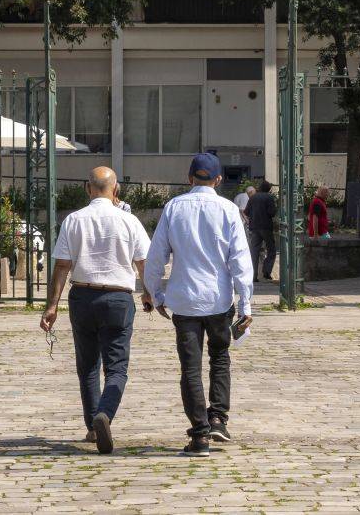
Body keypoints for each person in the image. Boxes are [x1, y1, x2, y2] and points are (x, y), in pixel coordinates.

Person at [143, 153, 255, 457]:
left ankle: (200, 433)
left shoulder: (173, 208)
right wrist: (246, 304)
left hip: (185, 301)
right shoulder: (229, 209)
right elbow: (240, 261)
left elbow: (156, 257)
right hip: (219, 300)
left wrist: (155, 294)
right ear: (218, 180)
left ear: (189, 177)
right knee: (220, 358)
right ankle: (218, 417)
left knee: (189, 368)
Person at [41, 166, 151, 455]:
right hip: (118, 298)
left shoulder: (74, 220)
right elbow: (143, 263)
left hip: (83, 296)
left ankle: (92, 425)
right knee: (117, 367)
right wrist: (151, 294)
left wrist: (52, 305)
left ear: (87, 188)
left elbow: (62, 265)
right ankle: (105, 413)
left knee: (87, 365)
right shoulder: (130, 221)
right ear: (116, 190)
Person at [244, 182, 278, 281]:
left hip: (254, 227)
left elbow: (246, 212)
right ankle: (266, 271)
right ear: (269, 189)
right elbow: (272, 212)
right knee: (271, 250)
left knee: (254, 252)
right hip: (266, 227)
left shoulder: (253, 197)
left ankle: (253, 276)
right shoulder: (269, 197)